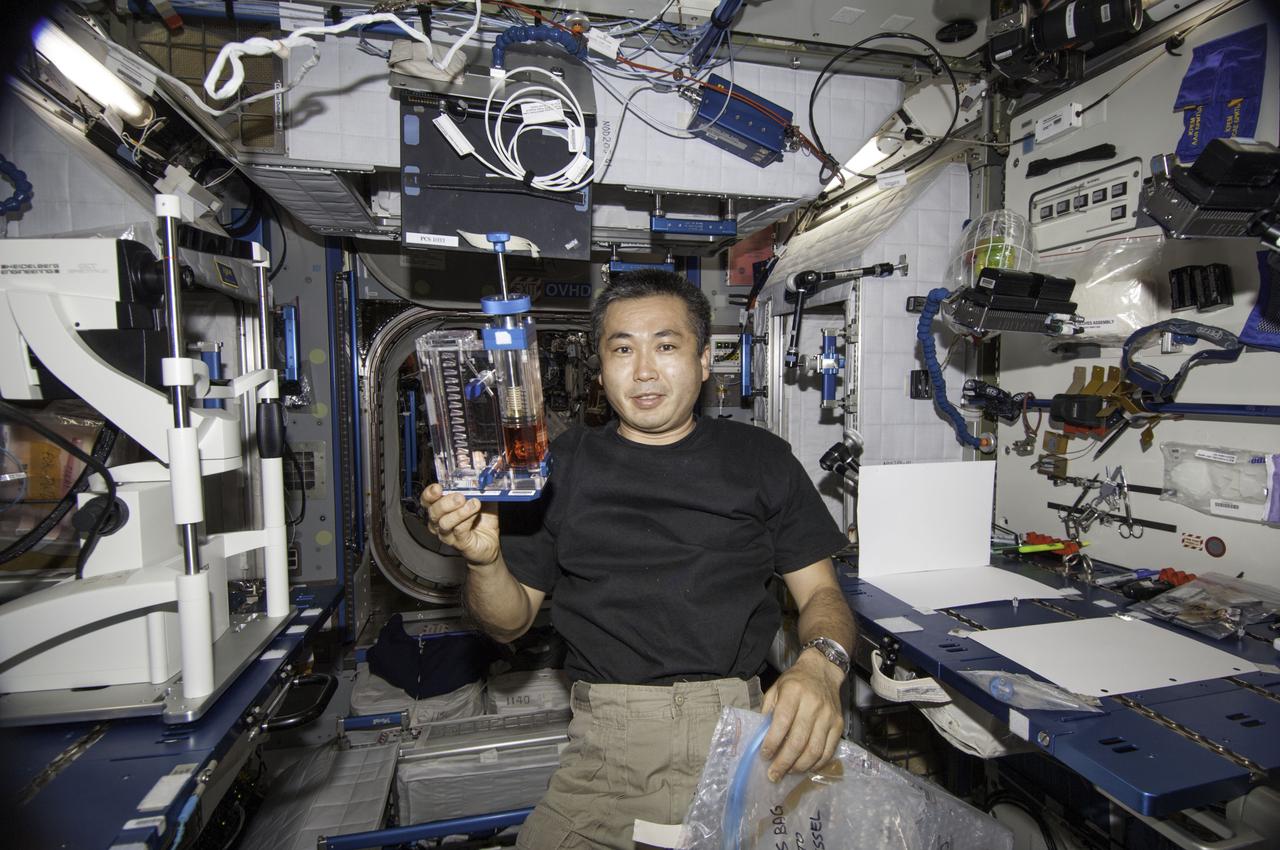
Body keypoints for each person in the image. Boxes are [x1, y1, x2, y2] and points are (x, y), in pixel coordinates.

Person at [422, 270, 854, 849]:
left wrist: (821, 668)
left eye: (667, 346)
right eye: (622, 349)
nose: (644, 370)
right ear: (600, 372)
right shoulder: (560, 467)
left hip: (745, 747)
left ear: (704, 361)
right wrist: (482, 560)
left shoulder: (761, 459)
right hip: (604, 757)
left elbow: (822, 596)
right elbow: (508, 622)